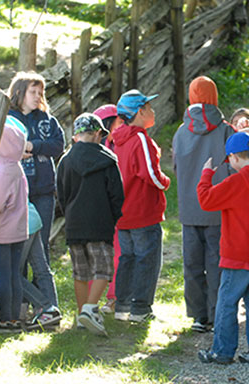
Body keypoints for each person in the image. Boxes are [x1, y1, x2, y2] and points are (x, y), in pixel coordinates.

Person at [196, 132, 249, 364]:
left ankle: (221, 351)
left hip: (236, 254)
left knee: (226, 302)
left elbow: (205, 199)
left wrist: (206, 174)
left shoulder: (236, 182)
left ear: (233, 158)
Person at [173, 76, 235, 333]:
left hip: (190, 207)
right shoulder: (225, 130)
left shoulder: (180, 131)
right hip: (218, 208)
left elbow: (176, 167)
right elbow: (233, 168)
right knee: (216, 262)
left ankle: (198, 316)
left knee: (192, 264)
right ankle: (217, 311)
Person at [56, 113, 124, 335]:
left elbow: (61, 194)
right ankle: (89, 309)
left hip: (75, 223)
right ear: (97, 134)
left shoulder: (65, 161)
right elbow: (117, 194)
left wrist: (70, 215)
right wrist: (113, 217)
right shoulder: (107, 159)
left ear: (76, 137)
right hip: (100, 222)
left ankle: (81, 316)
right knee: (103, 269)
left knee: (81, 272)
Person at [113, 90, 171, 323]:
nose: (153, 111)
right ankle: (141, 308)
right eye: (149, 107)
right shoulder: (139, 138)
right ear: (140, 112)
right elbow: (150, 172)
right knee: (147, 258)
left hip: (123, 212)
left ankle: (122, 305)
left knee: (127, 258)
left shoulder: (117, 138)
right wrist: (165, 182)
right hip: (143, 211)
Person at [8, 72, 65, 264]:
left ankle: (42, 289)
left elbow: (58, 145)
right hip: (16, 192)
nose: (37, 97)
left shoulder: (46, 119)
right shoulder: (7, 119)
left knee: (42, 243)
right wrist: (17, 150)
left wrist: (33, 146)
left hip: (43, 191)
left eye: (40, 92)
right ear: (19, 92)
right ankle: (22, 291)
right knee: (18, 245)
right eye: (33, 92)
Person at [0, 116, 29, 333]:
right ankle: (15, 318)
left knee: (2, 277)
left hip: (0, 233)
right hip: (17, 232)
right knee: (13, 275)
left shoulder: (1, 169)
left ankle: (5, 320)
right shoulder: (16, 166)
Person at [92, 104, 123, 314]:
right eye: (119, 122)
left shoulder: (118, 145)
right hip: (98, 211)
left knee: (117, 254)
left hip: (116, 210)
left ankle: (114, 297)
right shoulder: (97, 152)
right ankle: (89, 303)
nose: (122, 126)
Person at [22, 201, 61, 330]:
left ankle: (46, 306)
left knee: (11, 274)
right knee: (41, 269)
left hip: (21, 223)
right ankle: (53, 313)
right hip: (32, 216)